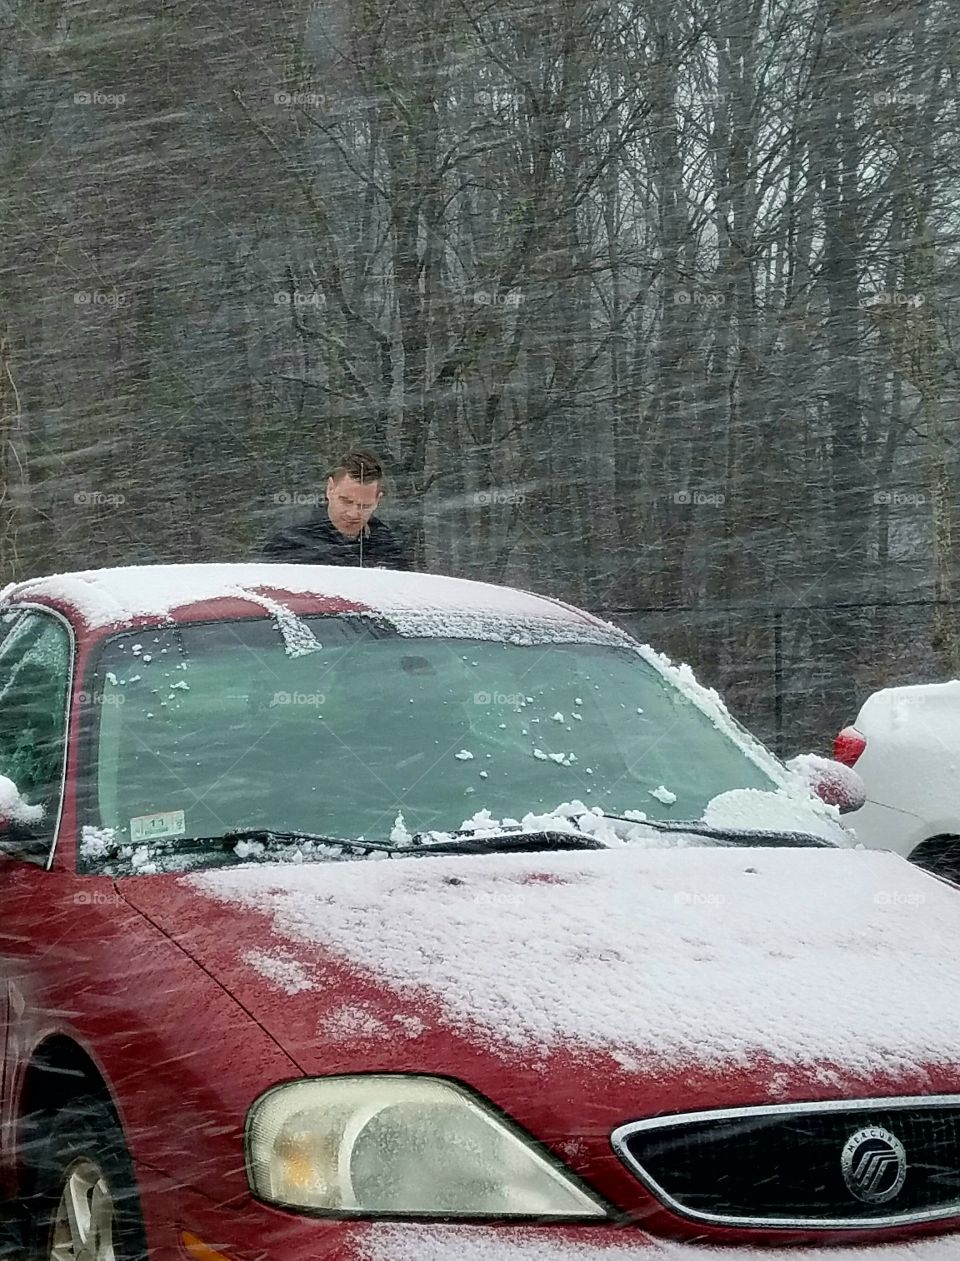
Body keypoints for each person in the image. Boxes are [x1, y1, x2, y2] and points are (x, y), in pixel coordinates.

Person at [262, 449, 412, 569]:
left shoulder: (387, 546)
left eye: (364, 506)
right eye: (346, 501)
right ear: (330, 489)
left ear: (377, 500)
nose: (354, 514)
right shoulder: (291, 541)